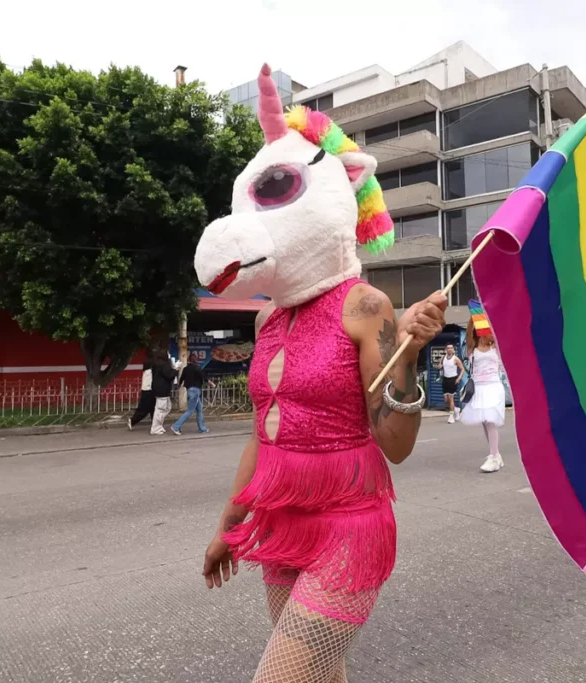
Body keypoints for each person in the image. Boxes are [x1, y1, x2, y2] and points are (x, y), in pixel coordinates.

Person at [194, 65, 447, 682]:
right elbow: (264, 430)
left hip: (347, 528)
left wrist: (408, 357)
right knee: (322, 678)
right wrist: (231, 521)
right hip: (280, 517)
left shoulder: (365, 306)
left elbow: (396, 445)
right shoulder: (267, 323)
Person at [460, 318, 506, 473]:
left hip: (493, 386)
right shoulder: (472, 348)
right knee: (484, 422)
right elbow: (468, 334)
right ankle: (496, 455)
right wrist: (473, 319)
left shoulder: (496, 346)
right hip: (478, 387)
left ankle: (494, 456)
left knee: (490, 420)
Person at [171, 353, 215, 435]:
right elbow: (203, 377)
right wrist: (211, 383)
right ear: (196, 360)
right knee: (190, 411)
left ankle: (202, 428)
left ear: (189, 360)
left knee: (199, 409)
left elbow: (181, 379)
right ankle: (175, 426)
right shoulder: (197, 368)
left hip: (189, 391)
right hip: (195, 391)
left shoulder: (185, 369)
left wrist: (178, 386)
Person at [149, 350, 177, 435]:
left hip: (158, 388)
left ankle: (159, 425)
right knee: (160, 409)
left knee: (168, 407)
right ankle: (155, 428)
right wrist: (175, 369)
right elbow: (169, 375)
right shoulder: (163, 364)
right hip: (162, 389)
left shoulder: (156, 363)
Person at [127, 355, 155, 430]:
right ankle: (133, 421)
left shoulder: (146, 371)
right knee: (145, 410)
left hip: (146, 391)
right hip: (148, 392)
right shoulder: (150, 372)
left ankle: (154, 425)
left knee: (151, 409)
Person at [441, 343, 465, 424]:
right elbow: (440, 365)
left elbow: (462, 369)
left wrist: (459, 378)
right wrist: (439, 366)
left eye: (451, 348)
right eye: (448, 348)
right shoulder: (443, 358)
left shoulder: (456, 359)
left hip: (453, 379)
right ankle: (456, 410)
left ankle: (451, 416)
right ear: (446, 349)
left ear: (453, 349)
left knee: (451, 398)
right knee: (446, 399)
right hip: (445, 379)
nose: (449, 349)